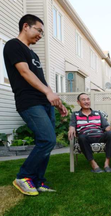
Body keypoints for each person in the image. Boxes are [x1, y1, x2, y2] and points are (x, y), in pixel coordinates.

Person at [3, 14, 68, 196]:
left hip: (43, 102)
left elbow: (41, 79)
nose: (41, 35)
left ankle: (37, 181)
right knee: (48, 140)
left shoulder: (33, 53)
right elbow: (24, 72)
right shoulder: (13, 45)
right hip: (29, 102)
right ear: (26, 26)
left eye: (42, 32)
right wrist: (47, 93)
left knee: (44, 142)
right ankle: (23, 177)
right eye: (39, 30)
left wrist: (56, 101)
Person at [68, 93, 111, 173]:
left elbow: (106, 127)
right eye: (83, 100)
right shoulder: (75, 114)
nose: (86, 101)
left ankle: (107, 164)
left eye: (88, 99)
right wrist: (71, 128)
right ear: (78, 102)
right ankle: (94, 165)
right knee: (81, 137)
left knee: (110, 134)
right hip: (86, 138)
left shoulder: (98, 113)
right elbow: (72, 125)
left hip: (99, 136)